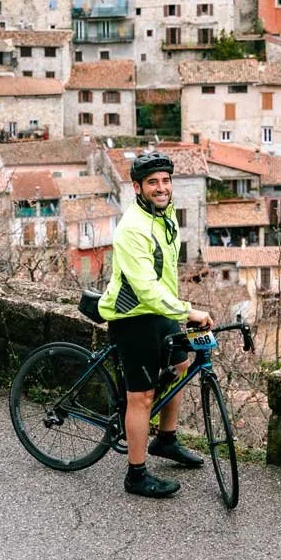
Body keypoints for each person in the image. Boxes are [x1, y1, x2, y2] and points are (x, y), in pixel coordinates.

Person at [98, 151, 212, 498]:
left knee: (179, 364)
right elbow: (145, 286)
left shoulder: (166, 218)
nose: (161, 188)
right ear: (137, 187)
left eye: (165, 181)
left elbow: (166, 278)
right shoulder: (132, 229)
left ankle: (166, 439)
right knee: (141, 397)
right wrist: (186, 312)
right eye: (153, 183)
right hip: (132, 316)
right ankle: (136, 474)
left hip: (159, 311)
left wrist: (176, 311)